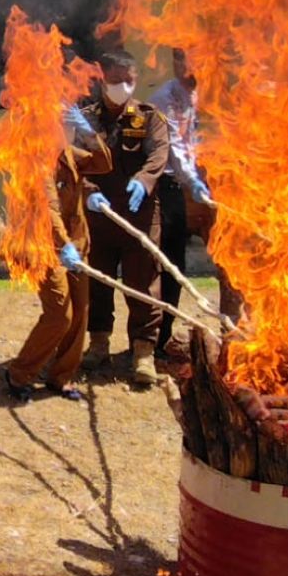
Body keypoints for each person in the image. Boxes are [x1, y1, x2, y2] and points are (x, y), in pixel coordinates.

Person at [75, 49, 170, 385]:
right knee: (99, 281)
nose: (123, 87)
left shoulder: (149, 117)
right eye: (116, 81)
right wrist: (87, 192)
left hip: (139, 215)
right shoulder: (84, 118)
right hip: (98, 216)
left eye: (128, 81)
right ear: (102, 79)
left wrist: (144, 182)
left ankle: (143, 352)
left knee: (143, 283)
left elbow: (159, 153)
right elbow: (73, 161)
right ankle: (98, 343)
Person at [148, 48, 243, 357]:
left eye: (193, 58)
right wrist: (194, 183)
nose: (187, 65)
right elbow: (174, 148)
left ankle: (232, 334)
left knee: (229, 264)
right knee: (171, 264)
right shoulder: (165, 98)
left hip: (199, 186)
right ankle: (159, 339)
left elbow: (197, 141)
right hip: (171, 187)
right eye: (180, 58)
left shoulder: (198, 94)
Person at [5, 140, 110, 402]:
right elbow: (47, 208)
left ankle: (61, 376)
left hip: (76, 243)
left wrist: (89, 131)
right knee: (60, 314)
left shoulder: (67, 151)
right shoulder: (35, 157)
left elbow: (102, 164)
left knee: (80, 313)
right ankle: (19, 373)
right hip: (46, 247)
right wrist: (63, 245)